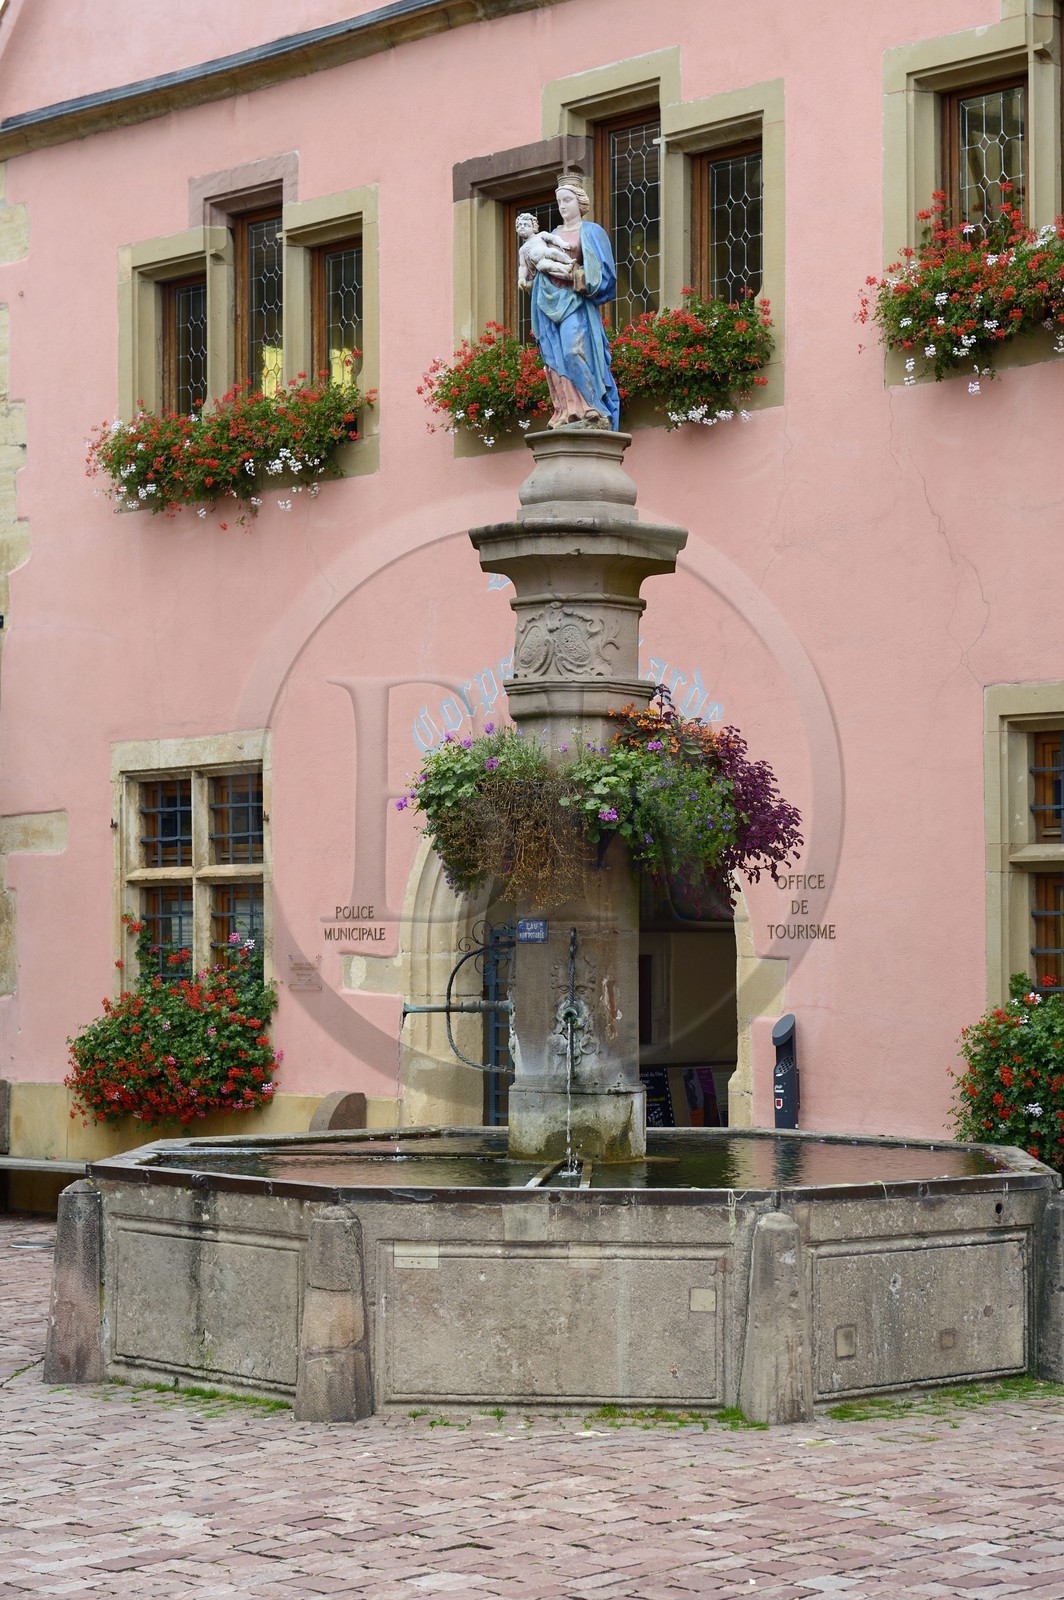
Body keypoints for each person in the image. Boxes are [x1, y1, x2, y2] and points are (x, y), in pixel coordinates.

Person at [526, 176, 621, 430]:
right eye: (559, 201)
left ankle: (593, 406)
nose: (562, 206)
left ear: (580, 202)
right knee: (554, 358)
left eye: (567, 200)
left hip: (575, 302)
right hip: (547, 303)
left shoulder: (592, 231)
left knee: (573, 350)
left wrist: (579, 276)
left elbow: (605, 273)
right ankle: (568, 411)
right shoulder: (552, 235)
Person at [515, 212, 574, 290]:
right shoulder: (522, 249)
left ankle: (569, 261)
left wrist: (562, 243)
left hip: (546, 252)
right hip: (539, 263)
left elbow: (553, 238)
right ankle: (565, 268)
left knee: (555, 253)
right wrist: (521, 278)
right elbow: (523, 266)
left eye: (526, 225)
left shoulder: (541, 235)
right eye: (519, 225)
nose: (522, 227)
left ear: (534, 227)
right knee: (548, 266)